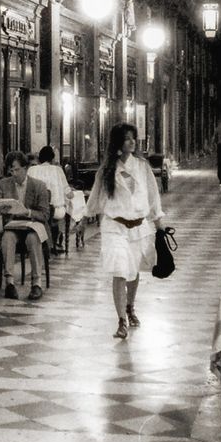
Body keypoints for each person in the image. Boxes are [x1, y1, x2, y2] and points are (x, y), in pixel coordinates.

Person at [84, 122, 165, 339]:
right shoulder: (107, 169)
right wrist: (83, 219)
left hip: (138, 227)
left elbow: (152, 195)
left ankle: (130, 307)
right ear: (119, 142)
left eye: (133, 138)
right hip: (114, 226)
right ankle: (121, 320)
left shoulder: (141, 166)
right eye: (127, 138)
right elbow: (95, 197)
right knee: (120, 270)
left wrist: (158, 223)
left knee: (133, 271)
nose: (132, 142)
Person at [0, 150, 50, 301]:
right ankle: (9, 283)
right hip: (13, 226)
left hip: (33, 225)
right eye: (11, 170)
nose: (14, 173)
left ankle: (36, 283)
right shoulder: (4, 184)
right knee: (7, 237)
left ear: (25, 168)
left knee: (32, 239)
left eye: (17, 169)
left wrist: (28, 212)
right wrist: (0, 208)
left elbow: (45, 215)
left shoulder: (39, 186)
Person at [28, 145, 75, 250]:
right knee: (62, 212)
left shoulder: (31, 170)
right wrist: (72, 194)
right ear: (52, 158)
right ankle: (55, 241)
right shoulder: (57, 170)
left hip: (34, 210)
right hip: (54, 211)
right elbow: (68, 192)